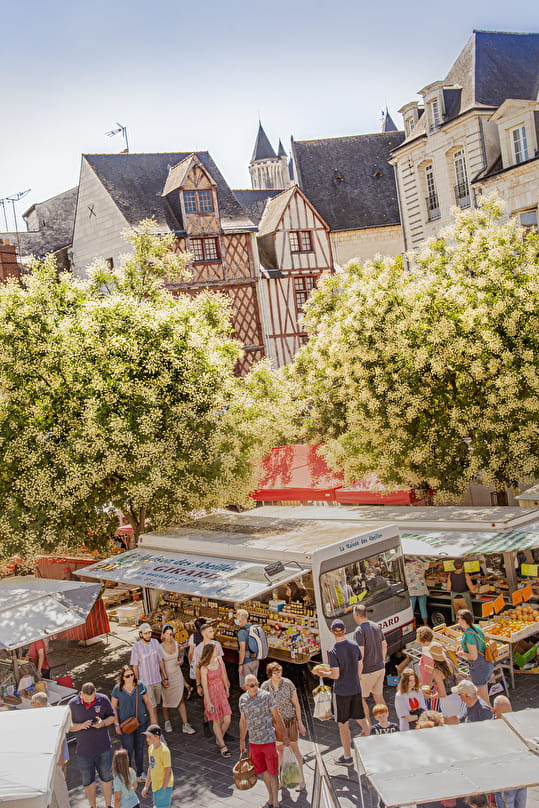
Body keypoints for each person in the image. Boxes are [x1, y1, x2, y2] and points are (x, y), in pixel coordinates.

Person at [326, 618, 370, 766]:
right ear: (345, 630)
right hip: (355, 687)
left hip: (341, 692)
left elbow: (336, 675)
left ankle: (347, 757)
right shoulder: (354, 645)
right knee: (360, 718)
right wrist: (356, 678)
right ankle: (372, 742)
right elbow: (360, 665)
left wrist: (324, 674)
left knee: (343, 725)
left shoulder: (333, 651)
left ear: (332, 632)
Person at [239, 674, 287, 808]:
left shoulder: (266, 696)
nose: (255, 687)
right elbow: (243, 721)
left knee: (273, 772)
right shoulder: (243, 700)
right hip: (254, 742)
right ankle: (270, 797)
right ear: (246, 687)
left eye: (256, 684)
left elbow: (276, 716)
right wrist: (242, 741)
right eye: (252, 685)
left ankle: (276, 801)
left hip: (268, 740)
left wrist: (284, 735)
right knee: (263, 771)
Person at [68, 682, 116, 808]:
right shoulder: (72, 704)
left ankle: (107, 805)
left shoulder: (103, 699)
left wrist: (103, 723)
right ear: (81, 694)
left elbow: (112, 717)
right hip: (84, 751)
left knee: (106, 777)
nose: (89, 702)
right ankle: (92, 806)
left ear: (95, 691)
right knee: (88, 781)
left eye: (92, 699)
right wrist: (81, 726)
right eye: (86, 699)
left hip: (103, 748)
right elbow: (68, 726)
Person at [261, 661, 307, 791]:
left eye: (279, 672)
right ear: (270, 674)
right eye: (275, 673)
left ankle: (302, 780)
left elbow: (296, 704)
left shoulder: (288, 684)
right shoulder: (265, 687)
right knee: (279, 751)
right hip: (275, 724)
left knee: (295, 749)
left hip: (289, 722)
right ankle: (282, 780)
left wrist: (300, 722)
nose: (278, 675)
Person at [111, 665, 156, 782]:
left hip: (141, 722)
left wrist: (153, 719)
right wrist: (116, 724)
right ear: (122, 678)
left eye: (132, 675)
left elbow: (147, 702)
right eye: (127, 676)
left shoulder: (140, 685)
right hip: (126, 725)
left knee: (140, 748)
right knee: (128, 749)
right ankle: (128, 774)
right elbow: (113, 707)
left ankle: (140, 773)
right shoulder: (117, 689)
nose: (130, 677)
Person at [32, 690, 70, 808]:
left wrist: (60, 757)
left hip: (55, 756)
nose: (32, 705)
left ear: (37, 704)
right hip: (49, 756)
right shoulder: (44, 712)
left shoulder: (52, 714)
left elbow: (62, 737)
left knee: (59, 786)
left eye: (33, 703)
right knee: (51, 787)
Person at [353, 604, 387, 721]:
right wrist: (382, 661)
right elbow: (384, 645)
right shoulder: (376, 626)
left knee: (360, 698)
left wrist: (358, 674)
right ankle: (384, 722)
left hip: (367, 671)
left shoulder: (359, 631)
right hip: (380, 668)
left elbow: (360, 655)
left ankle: (367, 727)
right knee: (378, 696)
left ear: (357, 615)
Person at [492, 695, 527, 808]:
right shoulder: (490, 730)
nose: (508, 717)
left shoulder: (517, 724)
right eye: (504, 713)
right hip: (504, 781)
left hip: (521, 778)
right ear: (495, 711)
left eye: (510, 712)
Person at [160, 624, 195, 735]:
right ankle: (167, 721)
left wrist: (181, 660)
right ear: (163, 635)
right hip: (166, 675)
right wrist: (164, 678)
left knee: (180, 699)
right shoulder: (160, 647)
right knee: (166, 700)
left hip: (177, 674)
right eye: (167, 634)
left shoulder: (176, 644)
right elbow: (160, 665)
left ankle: (185, 724)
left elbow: (181, 656)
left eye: (171, 634)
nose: (169, 636)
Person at [199, 641, 232, 756]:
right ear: (210, 652)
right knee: (216, 719)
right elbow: (205, 685)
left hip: (221, 692)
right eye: (215, 649)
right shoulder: (204, 667)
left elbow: (223, 674)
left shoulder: (219, 660)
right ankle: (223, 746)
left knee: (227, 718)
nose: (217, 651)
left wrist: (227, 688)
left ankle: (219, 738)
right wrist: (208, 702)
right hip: (212, 695)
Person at [456, 609, 493, 705]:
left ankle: (490, 717)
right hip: (486, 664)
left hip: (478, 667)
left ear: (464, 620)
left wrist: (462, 653)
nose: (458, 621)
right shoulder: (476, 628)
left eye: (459, 619)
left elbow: (473, 656)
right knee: (483, 694)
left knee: (483, 698)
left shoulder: (468, 634)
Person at [130, 623, 168, 710]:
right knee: (152, 707)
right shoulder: (136, 647)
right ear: (140, 634)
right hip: (145, 682)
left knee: (157, 702)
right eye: (145, 633)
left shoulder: (155, 642)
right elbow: (135, 667)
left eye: (149, 633)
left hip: (157, 679)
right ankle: (154, 722)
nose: (148, 635)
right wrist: (136, 682)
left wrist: (165, 677)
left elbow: (160, 661)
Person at [425, 641, 460, 723]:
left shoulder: (436, 671)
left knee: (449, 724)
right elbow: (452, 675)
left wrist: (432, 697)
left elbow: (442, 693)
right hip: (457, 697)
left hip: (447, 700)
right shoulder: (449, 661)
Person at [141, 725, 173, 808]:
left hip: (163, 786)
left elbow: (168, 771)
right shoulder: (150, 748)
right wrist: (146, 786)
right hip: (155, 786)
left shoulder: (164, 751)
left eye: (149, 737)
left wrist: (164, 788)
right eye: (147, 737)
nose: (147, 739)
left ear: (157, 737)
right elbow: (150, 767)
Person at [235, 609, 259, 689]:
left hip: (246, 662)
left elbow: (242, 649)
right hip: (255, 660)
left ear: (241, 619)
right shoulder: (253, 628)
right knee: (254, 684)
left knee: (245, 686)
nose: (236, 620)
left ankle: (249, 700)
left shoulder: (241, 632)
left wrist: (240, 664)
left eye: (236, 618)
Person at [404, 557, 430, 625]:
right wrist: (439, 562)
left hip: (411, 590)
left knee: (411, 609)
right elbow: (430, 565)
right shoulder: (421, 562)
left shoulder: (405, 566)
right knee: (423, 608)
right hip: (421, 589)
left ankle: (411, 626)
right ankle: (425, 624)